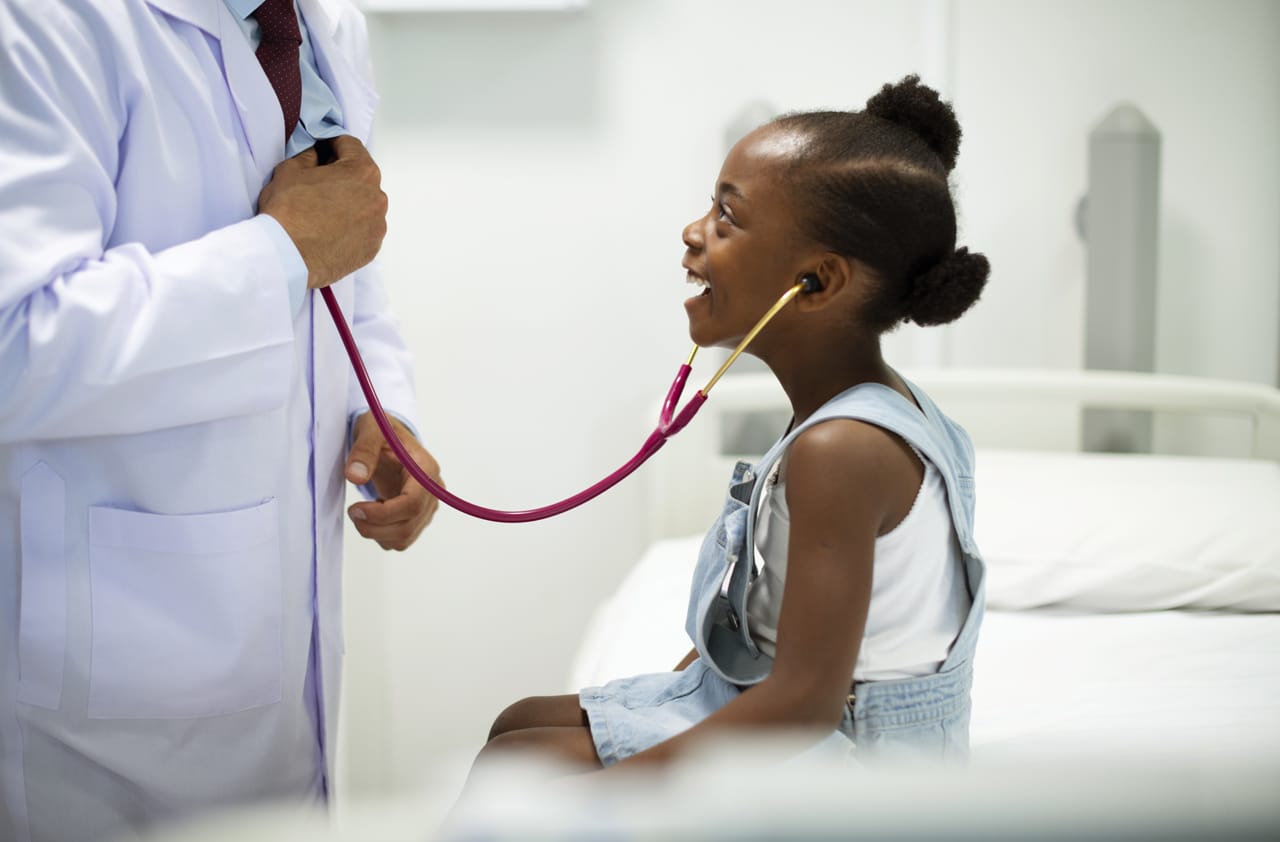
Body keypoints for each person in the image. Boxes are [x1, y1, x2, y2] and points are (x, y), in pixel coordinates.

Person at [0, 1, 442, 839]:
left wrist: (379, 405)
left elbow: (341, 260)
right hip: (103, 691)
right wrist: (280, 253)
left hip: (272, 651)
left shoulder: (325, 22)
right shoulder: (44, 19)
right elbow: (17, 340)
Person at [471, 75, 990, 778]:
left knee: (524, 764)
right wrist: (663, 704)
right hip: (785, 710)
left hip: (855, 767)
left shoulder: (843, 449)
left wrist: (612, 790)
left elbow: (805, 703)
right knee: (519, 724)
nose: (693, 233)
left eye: (727, 217)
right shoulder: (856, 409)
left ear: (818, 283)